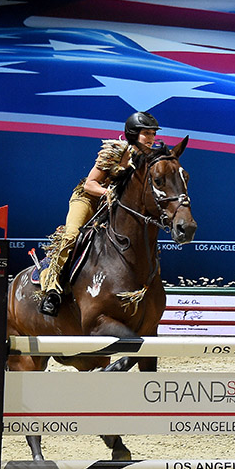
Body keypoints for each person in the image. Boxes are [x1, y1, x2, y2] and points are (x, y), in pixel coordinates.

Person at [37, 111, 161, 316]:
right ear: (132, 134)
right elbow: (90, 184)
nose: (151, 138)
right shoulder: (116, 150)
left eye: (153, 134)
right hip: (89, 199)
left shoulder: (150, 158)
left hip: (116, 206)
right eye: (146, 133)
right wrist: (108, 193)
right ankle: (52, 290)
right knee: (71, 236)